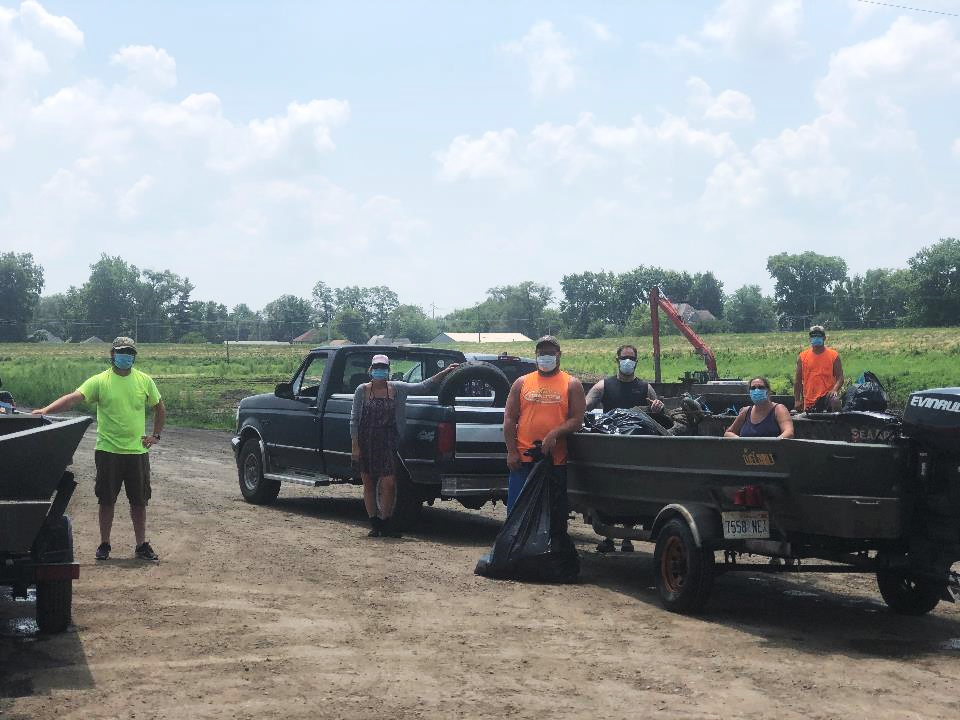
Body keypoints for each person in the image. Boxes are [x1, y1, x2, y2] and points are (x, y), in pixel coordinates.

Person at [32, 337, 165, 562]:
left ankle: (141, 545)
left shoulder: (145, 381)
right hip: (108, 451)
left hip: (137, 452)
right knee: (106, 500)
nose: (126, 356)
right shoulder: (100, 381)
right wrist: (45, 410)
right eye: (122, 352)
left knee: (139, 502)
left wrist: (156, 435)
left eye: (130, 352)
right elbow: (73, 399)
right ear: (112, 354)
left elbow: (159, 408)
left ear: (135, 356)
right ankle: (104, 544)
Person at [350, 353, 459, 538]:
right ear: (370, 370)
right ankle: (375, 524)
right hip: (366, 440)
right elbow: (354, 419)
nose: (379, 371)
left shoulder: (397, 389)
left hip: (388, 441)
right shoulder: (362, 390)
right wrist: (355, 446)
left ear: (388, 370)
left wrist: (445, 373)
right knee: (368, 482)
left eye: (383, 368)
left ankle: (385, 521)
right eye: (376, 367)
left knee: (389, 482)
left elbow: (423, 386)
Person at [585, 343, 664, 553]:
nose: (627, 361)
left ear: (636, 361)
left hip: (637, 449)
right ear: (617, 359)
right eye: (624, 357)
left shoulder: (645, 387)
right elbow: (585, 406)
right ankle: (608, 537)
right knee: (609, 490)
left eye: (631, 358)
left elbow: (660, 414)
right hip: (612, 447)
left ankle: (628, 537)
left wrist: (658, 408)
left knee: (633, 489)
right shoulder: (604, 386)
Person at [502, 336, 586, 515]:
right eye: (541, 353)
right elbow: (509, 418)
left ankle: (551, 543)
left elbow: (577, 420)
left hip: (555, 462)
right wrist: (511, 451)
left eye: (550, 353)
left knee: (552, 513)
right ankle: (516, 543)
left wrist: (554, 434)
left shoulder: (572, 384)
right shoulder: (521, 383)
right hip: (523, 460)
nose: (545, 357)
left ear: (559, 355)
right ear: (535, 355)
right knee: (518, 511)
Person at [724, 377, 794, 438]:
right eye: (753, 388)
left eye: (760, 387)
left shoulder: (779, 409)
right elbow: (728, 433)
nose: (756, 390)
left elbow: (789, 432)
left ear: (768, 391)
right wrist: (740, 440)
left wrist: (772, 443)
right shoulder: (745, 412)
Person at [794, 325, 844, 412]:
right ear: (810, 339)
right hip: (810, 400)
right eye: (813, 336)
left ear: (824, 338)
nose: (816, 338)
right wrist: (797, 400)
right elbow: (797, 381)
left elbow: (840, 377)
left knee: (835, 401)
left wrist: (834, 390)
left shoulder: (833, 355)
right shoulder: (802, 357)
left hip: (827, 398)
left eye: (819, 336)